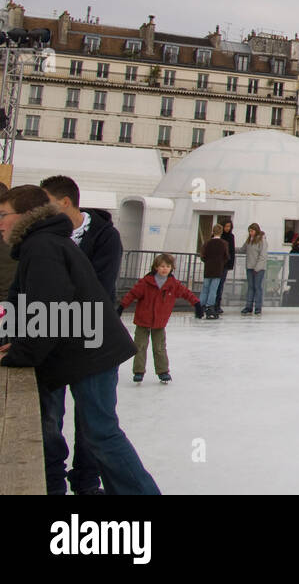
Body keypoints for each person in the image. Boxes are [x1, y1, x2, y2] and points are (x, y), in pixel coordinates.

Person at [0, 184, 160, 495]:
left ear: (25, 216)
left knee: (101, 433)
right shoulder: (42, 243)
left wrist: (22, 353)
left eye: (3, 214)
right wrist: (16, 342)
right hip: (84, 350)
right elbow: (23, 301)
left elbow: (49, 309)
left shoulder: (42, 246)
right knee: (99, 433)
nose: (0, 222)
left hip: (92, 353)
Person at [38, 175, 124, 494]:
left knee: (93, 421)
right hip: (52, 343)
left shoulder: (105, 237)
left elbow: (98, 291)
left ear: (64, 202)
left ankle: (86, 481)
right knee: (50, 416)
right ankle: (52, 481)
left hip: (92, 343)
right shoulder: (47, 237)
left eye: (45, 203)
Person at [119, 253, 200, 383]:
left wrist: (196, 303)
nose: (164, 269)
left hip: (160, 322)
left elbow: (186, 293)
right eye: (162, 266)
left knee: (159, 347)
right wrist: (122, 306)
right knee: (140, 346)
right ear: (156, 267)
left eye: (168, 266)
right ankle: (139, 371)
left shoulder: (173, 284)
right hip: (143, 319)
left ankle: (163, 371)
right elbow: (132, 293)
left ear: (171, 268)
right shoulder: (146, 282)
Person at [200, 224, 228, 319]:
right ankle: (210, 307)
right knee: (213, 289)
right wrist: (221, 263)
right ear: (221, 232)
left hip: (208, 269)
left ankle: (200, 306)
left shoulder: (207, 243)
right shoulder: (224, 243)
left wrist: (207, 261)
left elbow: (203, 256)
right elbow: (226, 256)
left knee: (205, 288)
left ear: (213, 231)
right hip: (218, 269)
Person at [239, 223, 268, 315]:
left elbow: (263, 255)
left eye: (252, 231)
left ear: (256, 230)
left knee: (257, 287)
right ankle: (248, 306)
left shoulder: (262, 240)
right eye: (249, 231)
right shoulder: (249, 240)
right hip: (249, 267)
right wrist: (230, 248)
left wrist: (257, 268)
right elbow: (242, 249)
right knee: (250, 287)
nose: (250, 233)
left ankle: (258, 308)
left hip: (258, 269)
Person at [284, 235, 299, 307]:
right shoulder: (294, 251)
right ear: (298, 241)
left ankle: (296, 306)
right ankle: (291, 306)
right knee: (294, 292)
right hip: (296, 276)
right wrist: (295, 275)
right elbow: (293, 265)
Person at [218, 220, 237, 315]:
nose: (227, 228)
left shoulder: (231, 237)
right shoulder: (218, 236)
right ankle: (211, 304)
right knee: (215, 285)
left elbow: (232, 251)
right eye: (226, 226)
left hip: (225, 264)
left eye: (229, 226)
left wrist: (231, 264)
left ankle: (217, 304)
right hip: (217, 264)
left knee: (221, 284)